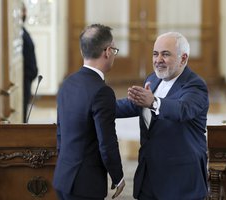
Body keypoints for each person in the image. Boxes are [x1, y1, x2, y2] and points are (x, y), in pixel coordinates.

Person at [116, 32, 209, 200]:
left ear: (183, 58)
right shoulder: (153, 79)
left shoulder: (195, 85)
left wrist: (153, 102)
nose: (158, 60)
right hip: (149, 177)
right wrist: (98, 107)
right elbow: (134, 104)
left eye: (165, 54)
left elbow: (182, 109)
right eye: (155, 54)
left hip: (180, 182)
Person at [53, 24, 125, 200]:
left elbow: (60, 132)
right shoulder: (102, 91)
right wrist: (118, 176)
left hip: (62, 177)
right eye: (114, 50)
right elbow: (107, 143)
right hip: (85, 185)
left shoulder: (66, 83)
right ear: (107, 51)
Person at [21, 2, 38, 123]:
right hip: (23, 79)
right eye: (23, 11)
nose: (25, 13)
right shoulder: (19, 33)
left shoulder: (22, 31)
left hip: (27, 78)